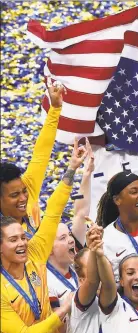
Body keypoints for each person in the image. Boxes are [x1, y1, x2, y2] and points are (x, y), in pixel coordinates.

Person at [0, 141, 85, 333]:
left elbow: (54, 210)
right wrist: (63, 310)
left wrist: (71, 168)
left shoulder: (35, 252)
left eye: (23, 237)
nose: (22, 242)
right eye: (13, 240)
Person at [0, 79, 64, 237]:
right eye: (14, 195)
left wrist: (55, 109)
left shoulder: (29, 187)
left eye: (23, 192)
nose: (23, 198)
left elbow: (41, 154)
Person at [65, 225, 110, 333]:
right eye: (94, 264)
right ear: (81, 279)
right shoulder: (78, 303)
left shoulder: (115, 301)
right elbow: (93, 281)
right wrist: (93, 249)